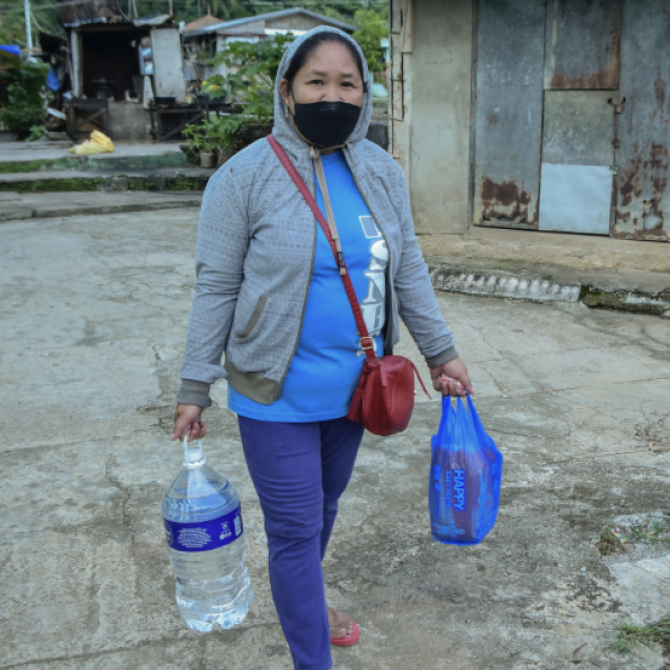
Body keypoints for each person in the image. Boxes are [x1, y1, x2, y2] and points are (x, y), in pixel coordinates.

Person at [171, 27, 474, 670]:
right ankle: (313, 656)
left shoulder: (381, 171)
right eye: (316, 82)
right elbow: (216, 287)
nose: (332, 95)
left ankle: (305, 600)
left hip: (357, 388)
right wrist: (194, 387)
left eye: (347, 83)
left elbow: (409, 267)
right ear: (287, 90)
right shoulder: (242, 178)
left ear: (365, 94)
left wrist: (441, 351)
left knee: (323, 510)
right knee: (293, 530)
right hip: (274, 389)